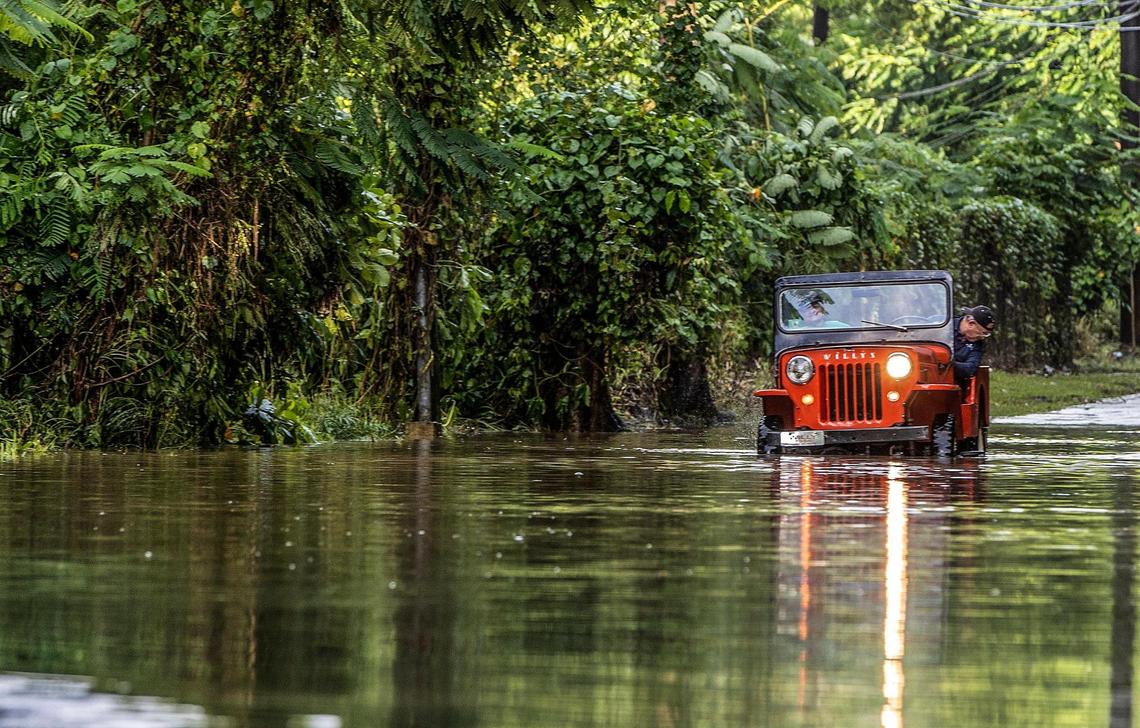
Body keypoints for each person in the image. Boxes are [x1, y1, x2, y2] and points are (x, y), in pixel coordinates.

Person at [953, 305, 996, 385]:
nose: (983, 338)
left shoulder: (977, 345)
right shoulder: (941, 324)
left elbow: (971, 368)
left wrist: (950, 364)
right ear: (971, 324)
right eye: (984, 333)